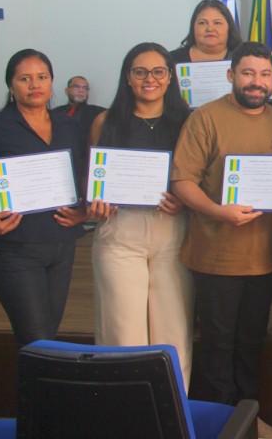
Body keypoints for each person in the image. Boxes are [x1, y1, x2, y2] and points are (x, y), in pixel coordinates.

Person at [171, 42, 272, 439]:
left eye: (265, 74)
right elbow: (182, 181)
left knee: (251, 343)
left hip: (262, 257)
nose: (257, 82)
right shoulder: (205, 118)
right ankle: (220, 425)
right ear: (231, 75)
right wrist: (218, 211)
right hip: (216, 257)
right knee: (218, 345)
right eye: (248, 73)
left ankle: (246, 421)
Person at [86, 42, 193, 383]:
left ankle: (172, 409)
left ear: (170, 77)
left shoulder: (187, 121)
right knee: (122, 333)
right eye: (140, 72)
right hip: (120, 231)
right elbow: (94, 179)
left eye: (158, 71)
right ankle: (125, 410)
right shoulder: (105, 121)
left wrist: (185, 200)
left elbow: (196, 176)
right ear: (128, 78)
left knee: (173, 333)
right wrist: (97, 201)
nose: (150, 79)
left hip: (172, 229)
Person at [0, 50, 87, 345]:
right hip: (15, 247)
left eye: (42, 77)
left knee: (48, 339)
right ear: (11, 85)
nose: (35, 84)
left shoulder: (69, 125)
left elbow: (83, 175)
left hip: (61, 244)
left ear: (51, 82)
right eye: (25, 78)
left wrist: (84, 211)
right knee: (35, 340)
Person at [169, 0, 244, 63]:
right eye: (203, 23)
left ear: (229, 27)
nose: (210, 29)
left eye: (217, 23)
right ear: (193, 27)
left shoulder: (243, 58)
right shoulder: (172, 59)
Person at [51, 75, 106, 140]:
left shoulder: (98, 113)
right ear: (67, 91)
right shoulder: (55, 113)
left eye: (85, 88)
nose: (81, 91)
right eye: (76, 87)